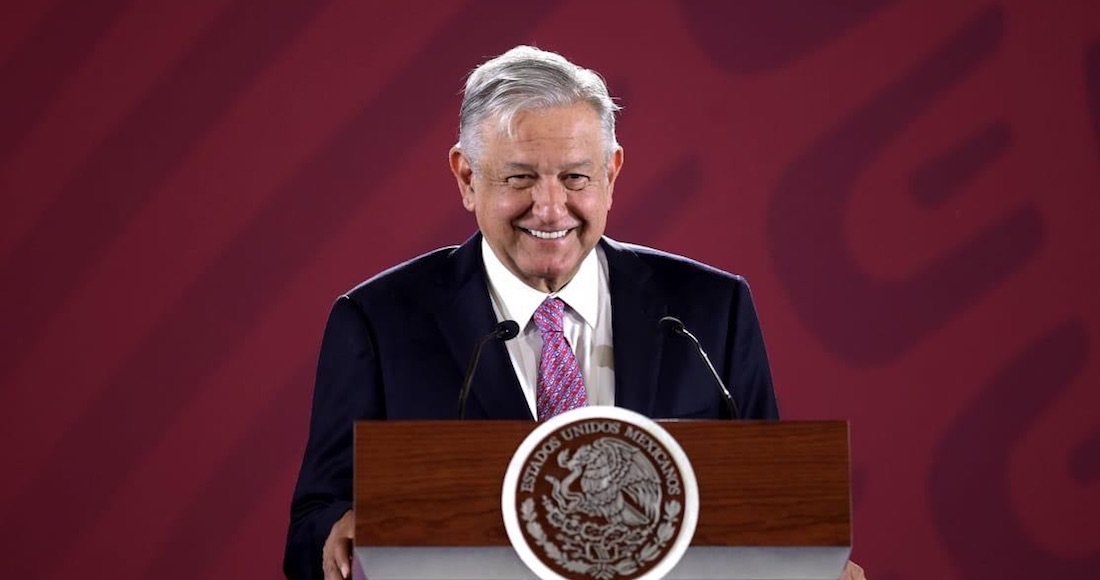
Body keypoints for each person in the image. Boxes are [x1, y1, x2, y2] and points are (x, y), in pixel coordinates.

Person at [284, 46, 862, 580]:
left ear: (610, 175)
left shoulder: (708, 310)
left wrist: (807, 561)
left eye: (575, 177)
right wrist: (337, 534)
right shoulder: (379, 321)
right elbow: (313, 526)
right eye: (520, 178)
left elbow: (768, 504)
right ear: (466, 176)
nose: (550, 207)